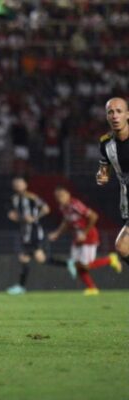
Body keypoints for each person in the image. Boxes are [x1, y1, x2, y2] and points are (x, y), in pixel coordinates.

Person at [48, 186, 121, 295]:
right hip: (78, 238)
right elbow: (67, 222)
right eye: (57, 196)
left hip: (89, 237)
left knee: (85, 265)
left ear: (68, 194)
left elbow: (94, 216)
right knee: (76, 264)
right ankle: (92, 288)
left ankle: (110, 259)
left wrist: (84, 233)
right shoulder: (63, 207)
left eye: (62, 195)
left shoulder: (75, 204)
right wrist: (57, 233)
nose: (60, 198)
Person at [96, 97, 129, 270]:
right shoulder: (105, 143)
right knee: (122, 247)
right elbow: (104, 169)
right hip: (126, 200)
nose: (115, 116)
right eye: (111, 112)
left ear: (127, 114)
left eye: (119, 111)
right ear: (107, 117)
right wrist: (102, 176)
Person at [6, 176, 50, 295]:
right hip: (24, 233)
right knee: (31, 259)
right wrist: (16, 217)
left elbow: (46, 209)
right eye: (15, 184)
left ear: (25, 185)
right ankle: (21, 287)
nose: (18, 185)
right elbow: (12, 215)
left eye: (20, 183)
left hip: (34, 232)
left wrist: (34, 218)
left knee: (33, 258)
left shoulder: (32, 197)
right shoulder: (14, 199)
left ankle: (67, 264)